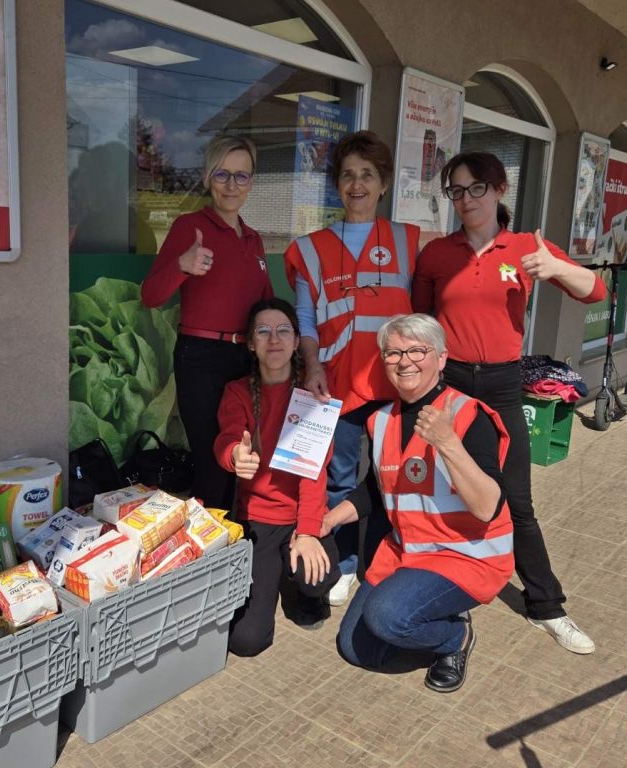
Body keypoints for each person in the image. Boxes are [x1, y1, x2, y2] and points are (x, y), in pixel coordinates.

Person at [412, 151, 607, 655]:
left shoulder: (524, 247)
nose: (466, 199)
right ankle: (447, 595)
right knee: (446, 490)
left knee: (516, 499)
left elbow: (596, 292)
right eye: (456, 190)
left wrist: (557, 267)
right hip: (450, 384)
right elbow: (420, 322)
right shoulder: (436, 254)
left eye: (476, 187)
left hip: (502, 385)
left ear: (499, 189)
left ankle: (547, 606)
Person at [327, 313, 513, 692]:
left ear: (441, 358)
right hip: (407, 553)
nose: (404, 361)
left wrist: (447, 443)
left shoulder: (467, 415)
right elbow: (375, 490)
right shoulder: (380, 421)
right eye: (393, 353)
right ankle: (427, 611)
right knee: (356, 649)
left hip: (465, 556)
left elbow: (487, 507)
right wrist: (327, 520)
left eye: (417, 351)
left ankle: (454, 638)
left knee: (388, 617)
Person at [284, 130, 419, 607]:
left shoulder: (409, 241)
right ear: (337, 185)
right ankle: (342, 564)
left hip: (396, 384)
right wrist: (312, 365)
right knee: (339, 477)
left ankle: (383, 561)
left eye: (367, 175)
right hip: (335, 383)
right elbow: (305, 318)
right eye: (347, 175)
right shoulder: (311, 247)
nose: (357, 185)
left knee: (391, 479)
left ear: (384, 184)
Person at [142, 136, 273, 510]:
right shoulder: (190, 227)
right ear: (206, 177)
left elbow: (266, 304)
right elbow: (150, 295)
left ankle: (238, 534)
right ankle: (214, 539)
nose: (232, 185)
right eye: (222, 174)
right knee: (212, 461)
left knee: (243, 454)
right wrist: (182, 266)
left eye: (241, 176)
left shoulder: (254, 239)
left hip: (246, 360)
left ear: (251, 182)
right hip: (202, 359)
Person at [214, 298, 341, 656]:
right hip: (257, 522)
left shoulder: (312, 394)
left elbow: (314, 474)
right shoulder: (237, 391)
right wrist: (234, 455)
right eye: (263, 331)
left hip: (301, 516)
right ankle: (280, 572)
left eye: (284, 330)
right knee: (246, 641)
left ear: (297, 341)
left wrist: (309, 532)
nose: (274, 339)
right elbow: (227, 439)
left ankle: (304, 592)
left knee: (316, 577)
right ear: (250, 343)